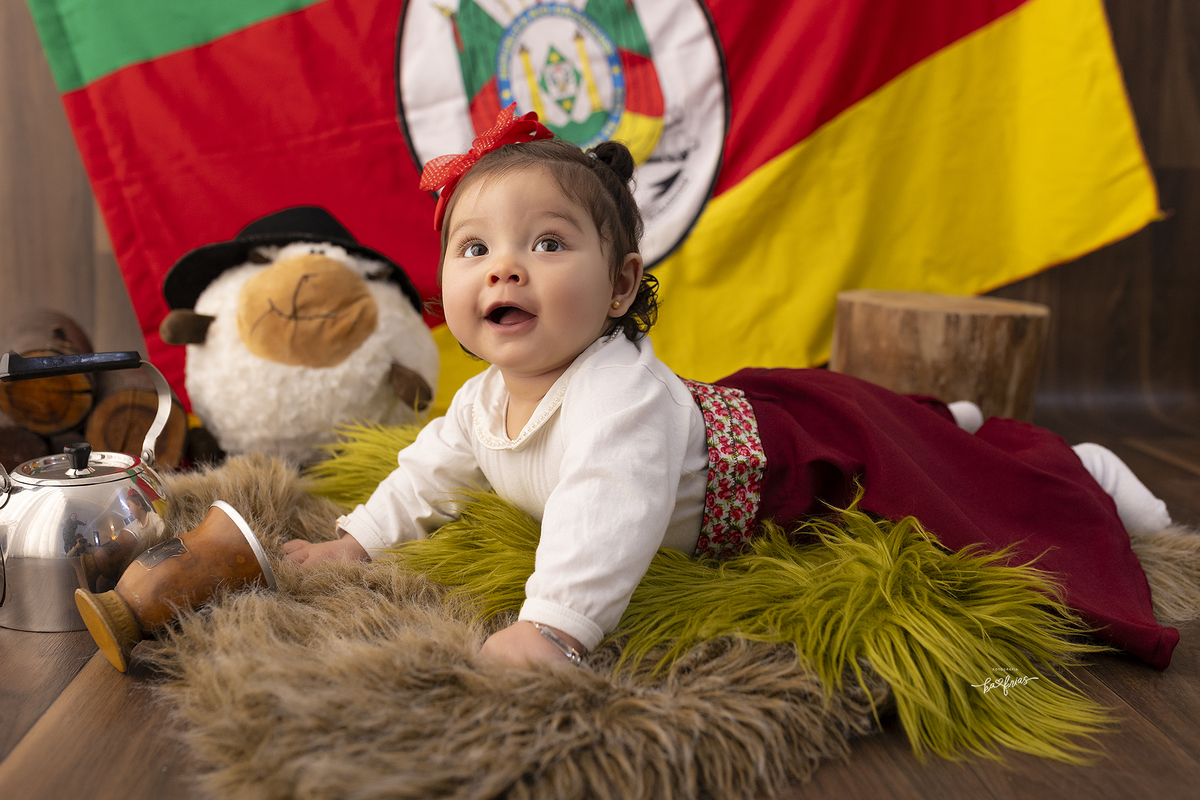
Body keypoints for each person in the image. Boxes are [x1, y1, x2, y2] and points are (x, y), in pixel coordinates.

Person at [282, 105, 1178, 670]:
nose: (505, 268)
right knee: (881, 414)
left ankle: (1081, 466)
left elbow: (608, 510)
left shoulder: (612, 401)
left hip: (781, 469)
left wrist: (555, 627)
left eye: (548, 244)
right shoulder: (484, 397)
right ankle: (949, 418)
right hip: (737, 407)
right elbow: (428, 467)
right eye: (475, 249)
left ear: (622, 286)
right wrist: (357, 542)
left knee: (925, 471)